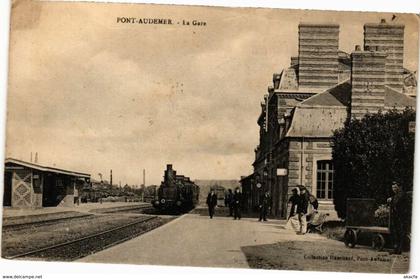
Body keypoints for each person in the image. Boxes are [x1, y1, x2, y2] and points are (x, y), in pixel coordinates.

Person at [387, 181, 409, 254]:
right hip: (397, 216)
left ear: (399, 187)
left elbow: (397, 201)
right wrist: (392, 198)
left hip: (401, 217)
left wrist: (391, 199)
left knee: (400, 232)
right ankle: (396, 249)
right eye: (392, 187)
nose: (394, 189)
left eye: (395, 187)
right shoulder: (396, 195)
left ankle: (399, 249)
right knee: (396, 232)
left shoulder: (402, 194)